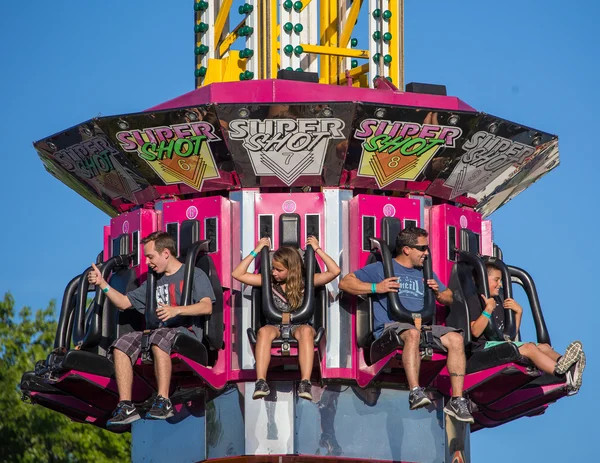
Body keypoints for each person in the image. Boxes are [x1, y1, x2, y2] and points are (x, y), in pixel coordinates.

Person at [338, 226, 474, 423]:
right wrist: (377, 287)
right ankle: (415, 391)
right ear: (407, 249)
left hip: (421, 326)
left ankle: (457, 400)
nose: (426, 253)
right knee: (412, 334)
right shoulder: (381, 269)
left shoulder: (425, 272)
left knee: (455, 338)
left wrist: (439, 293)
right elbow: (345, 283)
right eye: (422, 248)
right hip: (392, 327)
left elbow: (450, 298)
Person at [87, 231, 215, 426]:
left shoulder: (195, 274)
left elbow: (207, 306)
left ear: (165, 253)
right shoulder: (153, 283)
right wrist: (102, 284)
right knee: (121, 344)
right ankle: (126, 405)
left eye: (150, 256)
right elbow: (123, 302)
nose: (147, 262)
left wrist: (176, 311)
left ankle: (163, 400)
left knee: (158, 338)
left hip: (185, 333)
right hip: (159, 333)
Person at [232, 236, 340, 401]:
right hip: (275, 325)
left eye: (279, 270)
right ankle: (261, 381)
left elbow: (335, 271)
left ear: (292, 269)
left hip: (299, 324)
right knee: (263, 332)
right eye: (273, 268)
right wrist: (257, 250)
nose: (274, 273)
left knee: (305, 332)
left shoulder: (306, 282)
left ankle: (305, 382)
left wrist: (317, 249)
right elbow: (237, 274)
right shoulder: (269, 282)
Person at [470, 262, 585, 394]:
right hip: (482, 348)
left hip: (499, 345)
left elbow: (508, 336)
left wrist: (519, 313)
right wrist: (488, 309)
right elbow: (475, 331)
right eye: (496, 280)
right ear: (483, 279)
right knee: (530, 348)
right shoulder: (475, 300)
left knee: (544, 347)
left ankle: (568, 366)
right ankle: (564, 377)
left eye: (501, 280)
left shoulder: (499, 302)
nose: (500, 285)